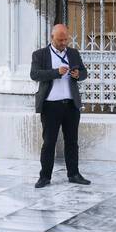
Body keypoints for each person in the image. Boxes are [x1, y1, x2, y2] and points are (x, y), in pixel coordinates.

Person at [30, 24, 91, 188]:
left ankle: (74, 174)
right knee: (49, 142)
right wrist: (56, 72)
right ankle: (44, 177)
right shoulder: (40, 54)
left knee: (72, 142)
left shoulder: (73, 53)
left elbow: (84, 72)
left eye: (66, 39)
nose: (64, 43)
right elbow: (34, 74)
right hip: (50, 106)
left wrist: (78, 75)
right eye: (60, 40)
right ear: (52, 38)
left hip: (71, 105)